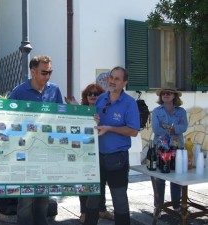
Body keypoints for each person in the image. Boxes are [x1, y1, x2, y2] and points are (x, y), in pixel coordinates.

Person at [0, 55, 63, 225]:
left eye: (50, 72)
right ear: (33, 71)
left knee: (43, 199)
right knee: (26, 201)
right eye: (44, 72)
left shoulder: (55, 90)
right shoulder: (19, 91)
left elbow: (62, 117)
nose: (48, 76)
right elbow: (7, 119)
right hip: (25, 153)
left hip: (46, 151)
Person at [84, 66, 140, 225]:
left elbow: (133, 131)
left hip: (117, 159)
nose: (112, 81)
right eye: (111, 77)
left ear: (124, 83)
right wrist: (91, 119)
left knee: (119, 200)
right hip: (96, 157)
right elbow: (94, 123)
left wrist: (110, 129)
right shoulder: (101, 99)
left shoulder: (129, 103)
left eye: (117, 79)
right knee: (93, 199)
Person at [65, 83, 115, 223]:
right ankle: (84, 212)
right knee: (84, 183)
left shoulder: (105, 109)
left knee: (101, 183)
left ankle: (102, 210)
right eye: (89, 94)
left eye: (96, 93)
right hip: (84, 152)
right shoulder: (82, 110)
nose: (92, 96)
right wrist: (76, 109)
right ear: (85, 97)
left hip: (102, 151)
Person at [152, 87, 188, 216]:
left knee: (176, 178)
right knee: (160, 179)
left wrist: (167, 127)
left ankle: (176, 205)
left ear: (174, 96)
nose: (166, 95)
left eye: (169, 93)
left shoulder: (181, 111)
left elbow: (184, 127)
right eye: (163, 93)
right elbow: (156, 129)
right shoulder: (156, 111)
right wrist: (174, 129)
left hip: (177, 148)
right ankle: (158, 206)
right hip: (161, 148)